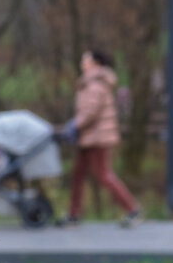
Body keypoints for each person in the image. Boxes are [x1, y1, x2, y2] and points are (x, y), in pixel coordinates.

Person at [57, 50, 143, 227]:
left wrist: (74, 125)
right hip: (89, 138)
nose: (82, 62)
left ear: (95, 63)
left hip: (98, 138)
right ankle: (74, 213)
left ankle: (132, 209)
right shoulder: (91, 83)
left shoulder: (95, 85)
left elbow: (90, 112)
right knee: (78, 174)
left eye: (85, 59)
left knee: (103, 175)